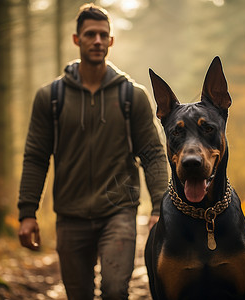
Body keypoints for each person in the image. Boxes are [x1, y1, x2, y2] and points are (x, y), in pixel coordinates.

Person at [17, 3, 168, 299]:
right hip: (70, 215)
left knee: (114, 290)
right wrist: (27, 212)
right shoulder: (51, 98)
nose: (97, 41)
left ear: (111, 41)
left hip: (119, 211)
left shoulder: (132, 96)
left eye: (103, 35)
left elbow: (152, 153)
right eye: (90, 34)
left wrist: (160, 206)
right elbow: (36, 157)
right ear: (77, 39)